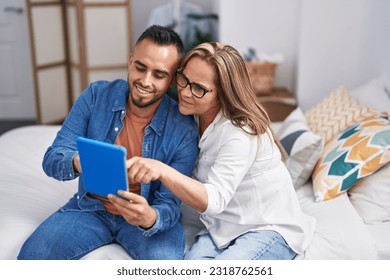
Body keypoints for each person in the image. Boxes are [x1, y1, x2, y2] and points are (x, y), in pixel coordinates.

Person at [113, 42, 316, 260]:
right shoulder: (191, 117)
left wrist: (161, 170)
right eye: (183, 78)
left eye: (198, 88)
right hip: (220, 228)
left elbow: (215, 199)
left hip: (266, 226)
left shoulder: (240, 133)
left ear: (223, 94)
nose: (184, 91)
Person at [17, 25, 199, 260]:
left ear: (173, 79)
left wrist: (149, 218)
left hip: (145, 215)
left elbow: (169, 205)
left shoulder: (184, 130)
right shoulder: (95, 96)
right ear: (130, 61)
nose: (145, 81)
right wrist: (79, 162)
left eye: (159, 74)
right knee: (30, 259)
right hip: (91, 210)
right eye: (140, 67)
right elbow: (53, 157)